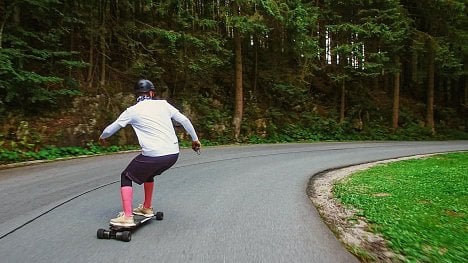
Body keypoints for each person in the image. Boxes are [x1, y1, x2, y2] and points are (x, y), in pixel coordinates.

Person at [99, 79, 201, 227]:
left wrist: (102, 137)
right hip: (173, 154)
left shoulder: (132, 111)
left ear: (137, 95)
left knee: (126, 176)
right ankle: (146, 207)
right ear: (152, 93)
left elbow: (110, 130)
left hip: (154, 155)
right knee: (149, 173)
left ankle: (127, 217)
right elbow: (184, 120)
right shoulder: (163, 104)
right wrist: (195, 140)